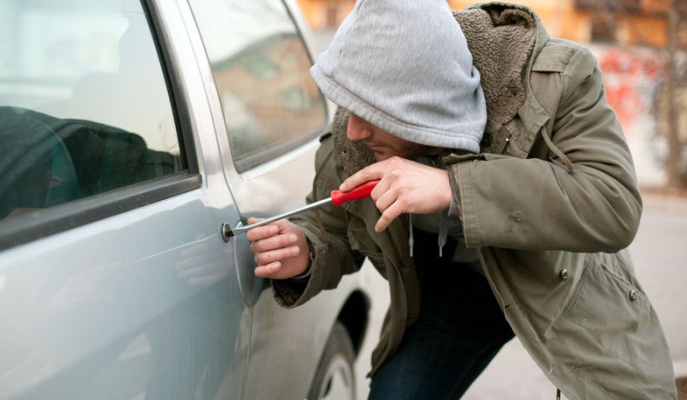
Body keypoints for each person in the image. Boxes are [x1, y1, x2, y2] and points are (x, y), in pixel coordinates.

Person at [247, 1, 678, 399]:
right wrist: (306, 251)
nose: (355, 130)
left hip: (562, 280)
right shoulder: (355, 135)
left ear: (422, 104)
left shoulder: (557, 80)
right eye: (349, 108)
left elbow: (613, 202)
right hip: (456, 295)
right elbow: (334, 225)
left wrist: (453, 187)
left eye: (372, 114)